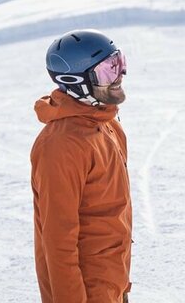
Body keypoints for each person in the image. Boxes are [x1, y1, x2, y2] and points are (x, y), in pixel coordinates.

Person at [33, 29, 134, 302]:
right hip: (84, 291)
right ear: (76, 82)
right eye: (107, 71)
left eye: (119, 63)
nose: (119, 75)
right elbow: (58, 242)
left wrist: (122, 287)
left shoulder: (109, 126)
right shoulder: (61, 145)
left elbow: (110, 216)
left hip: (111, 282)